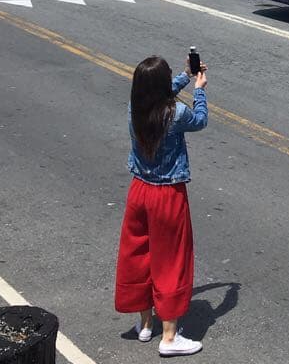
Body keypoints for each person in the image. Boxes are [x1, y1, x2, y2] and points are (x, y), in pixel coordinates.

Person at [114, 55, 207, 357]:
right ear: (163, 85)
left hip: (139, 190)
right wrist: (200, 88)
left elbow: (159, 94)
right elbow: (200, 119)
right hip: (167, 194)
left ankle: (144, 323)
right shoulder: (176, 113)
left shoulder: (134, 109)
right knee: (171, 261)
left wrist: (184, 75)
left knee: (139, 254)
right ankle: (169, 337)